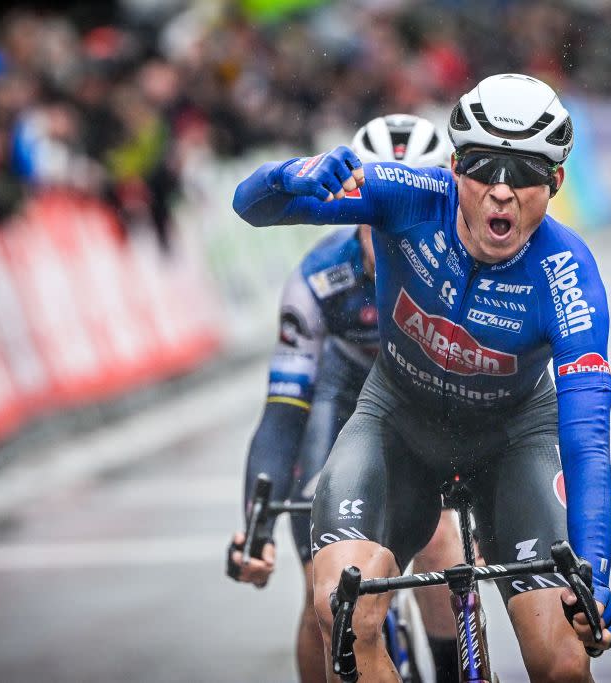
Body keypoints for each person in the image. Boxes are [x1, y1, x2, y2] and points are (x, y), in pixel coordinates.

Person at [233, 74, 611, 682]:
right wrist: (288, 177)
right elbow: (250, 206)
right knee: (340, 609)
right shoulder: (407, 196)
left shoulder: (568, 275)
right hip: (398, 426)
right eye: (483, 168)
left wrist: (594, 573)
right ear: (452, 167)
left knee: (562, 662)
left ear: (556, 183)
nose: (500, 192)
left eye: (523, 173)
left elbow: (587, 443)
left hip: (513, 442)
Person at [227, 114, 466, 682]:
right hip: (341, 407)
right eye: (378, 217)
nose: (394, 237)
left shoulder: (468, 267)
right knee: (324, 595)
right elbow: (283, 416)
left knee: (441, 546)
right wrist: (254, 527)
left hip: (425, 406)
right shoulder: (317, 280)